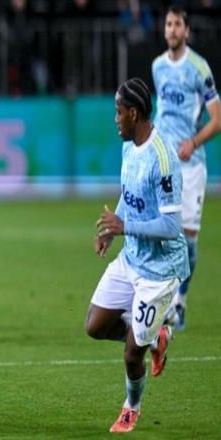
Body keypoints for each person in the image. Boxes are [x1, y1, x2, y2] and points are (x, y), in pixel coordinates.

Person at [86, 78, 189, 433]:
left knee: (132, 353)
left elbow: (172, 226)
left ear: (133, 113)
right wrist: (111, 230)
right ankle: (156, 337)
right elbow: (129, 194)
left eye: (118, 112)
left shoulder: (163, 158)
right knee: (95, 325)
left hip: (160, 270)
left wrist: (124, 227)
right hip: (132, 258)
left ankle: (132, 406)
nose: (115, 119)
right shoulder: (129, 146)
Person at [152, 5, 221, 331]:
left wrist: (193, 142)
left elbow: (217, 120)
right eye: (168, 24)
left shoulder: (199, 68)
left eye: (177, 24)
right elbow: (161, 113)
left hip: (191, 166)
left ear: (187, 30)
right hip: (164, 165)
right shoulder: (157, 67)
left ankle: (181, 299)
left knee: (189, 242)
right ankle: (161, 301)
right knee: (161, 234)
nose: (172, 29)